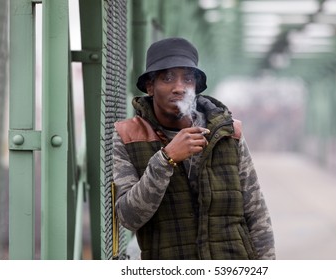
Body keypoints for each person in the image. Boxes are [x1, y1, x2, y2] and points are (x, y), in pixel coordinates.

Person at [113, 37, 275, 260]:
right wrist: (166, 158)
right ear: (150, 86)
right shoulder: (128, 136)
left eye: (187, 79)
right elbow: (129, 217)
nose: (179, 88)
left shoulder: (228, 132)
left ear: (196, 85)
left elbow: (256, 212)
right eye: (167, 78)